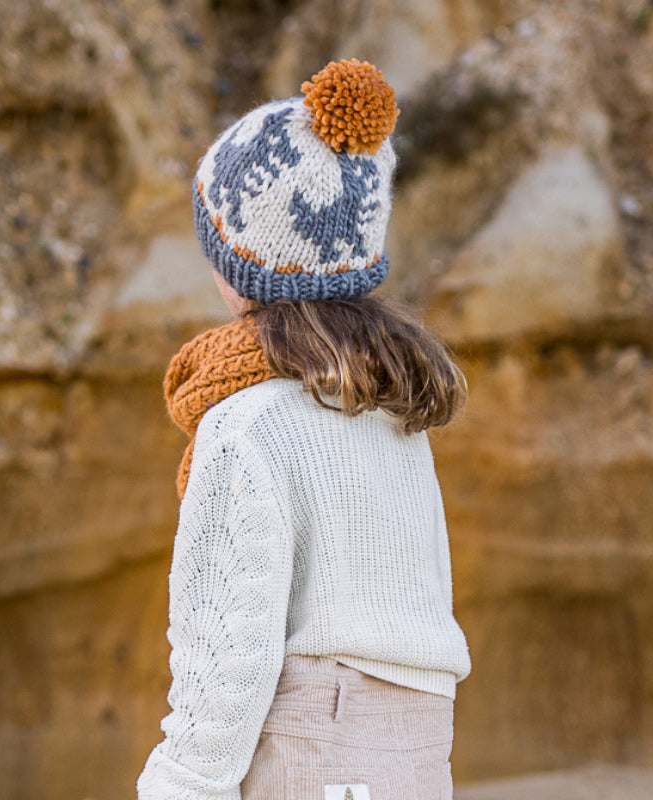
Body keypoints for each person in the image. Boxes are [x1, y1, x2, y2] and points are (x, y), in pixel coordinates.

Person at [137, 58, 471, 800]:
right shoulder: (394, 413)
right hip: (420, 758)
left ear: (237, 260)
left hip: (313, 757)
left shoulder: (245, 426)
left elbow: (225, 661)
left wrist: (178, 785)